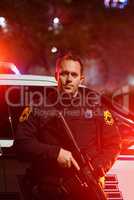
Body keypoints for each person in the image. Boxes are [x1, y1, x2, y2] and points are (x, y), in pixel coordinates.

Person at [15, 52, 121, 200]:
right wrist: (55, 153)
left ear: (81, 79)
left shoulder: (96, 108)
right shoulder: (39, 108)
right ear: (56, 76)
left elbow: (113, 144)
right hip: (51, 190)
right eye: (64, 74)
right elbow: (21, 143)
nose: (69, 79)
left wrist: (96, 169)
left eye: (74, 74)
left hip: (87, 190)